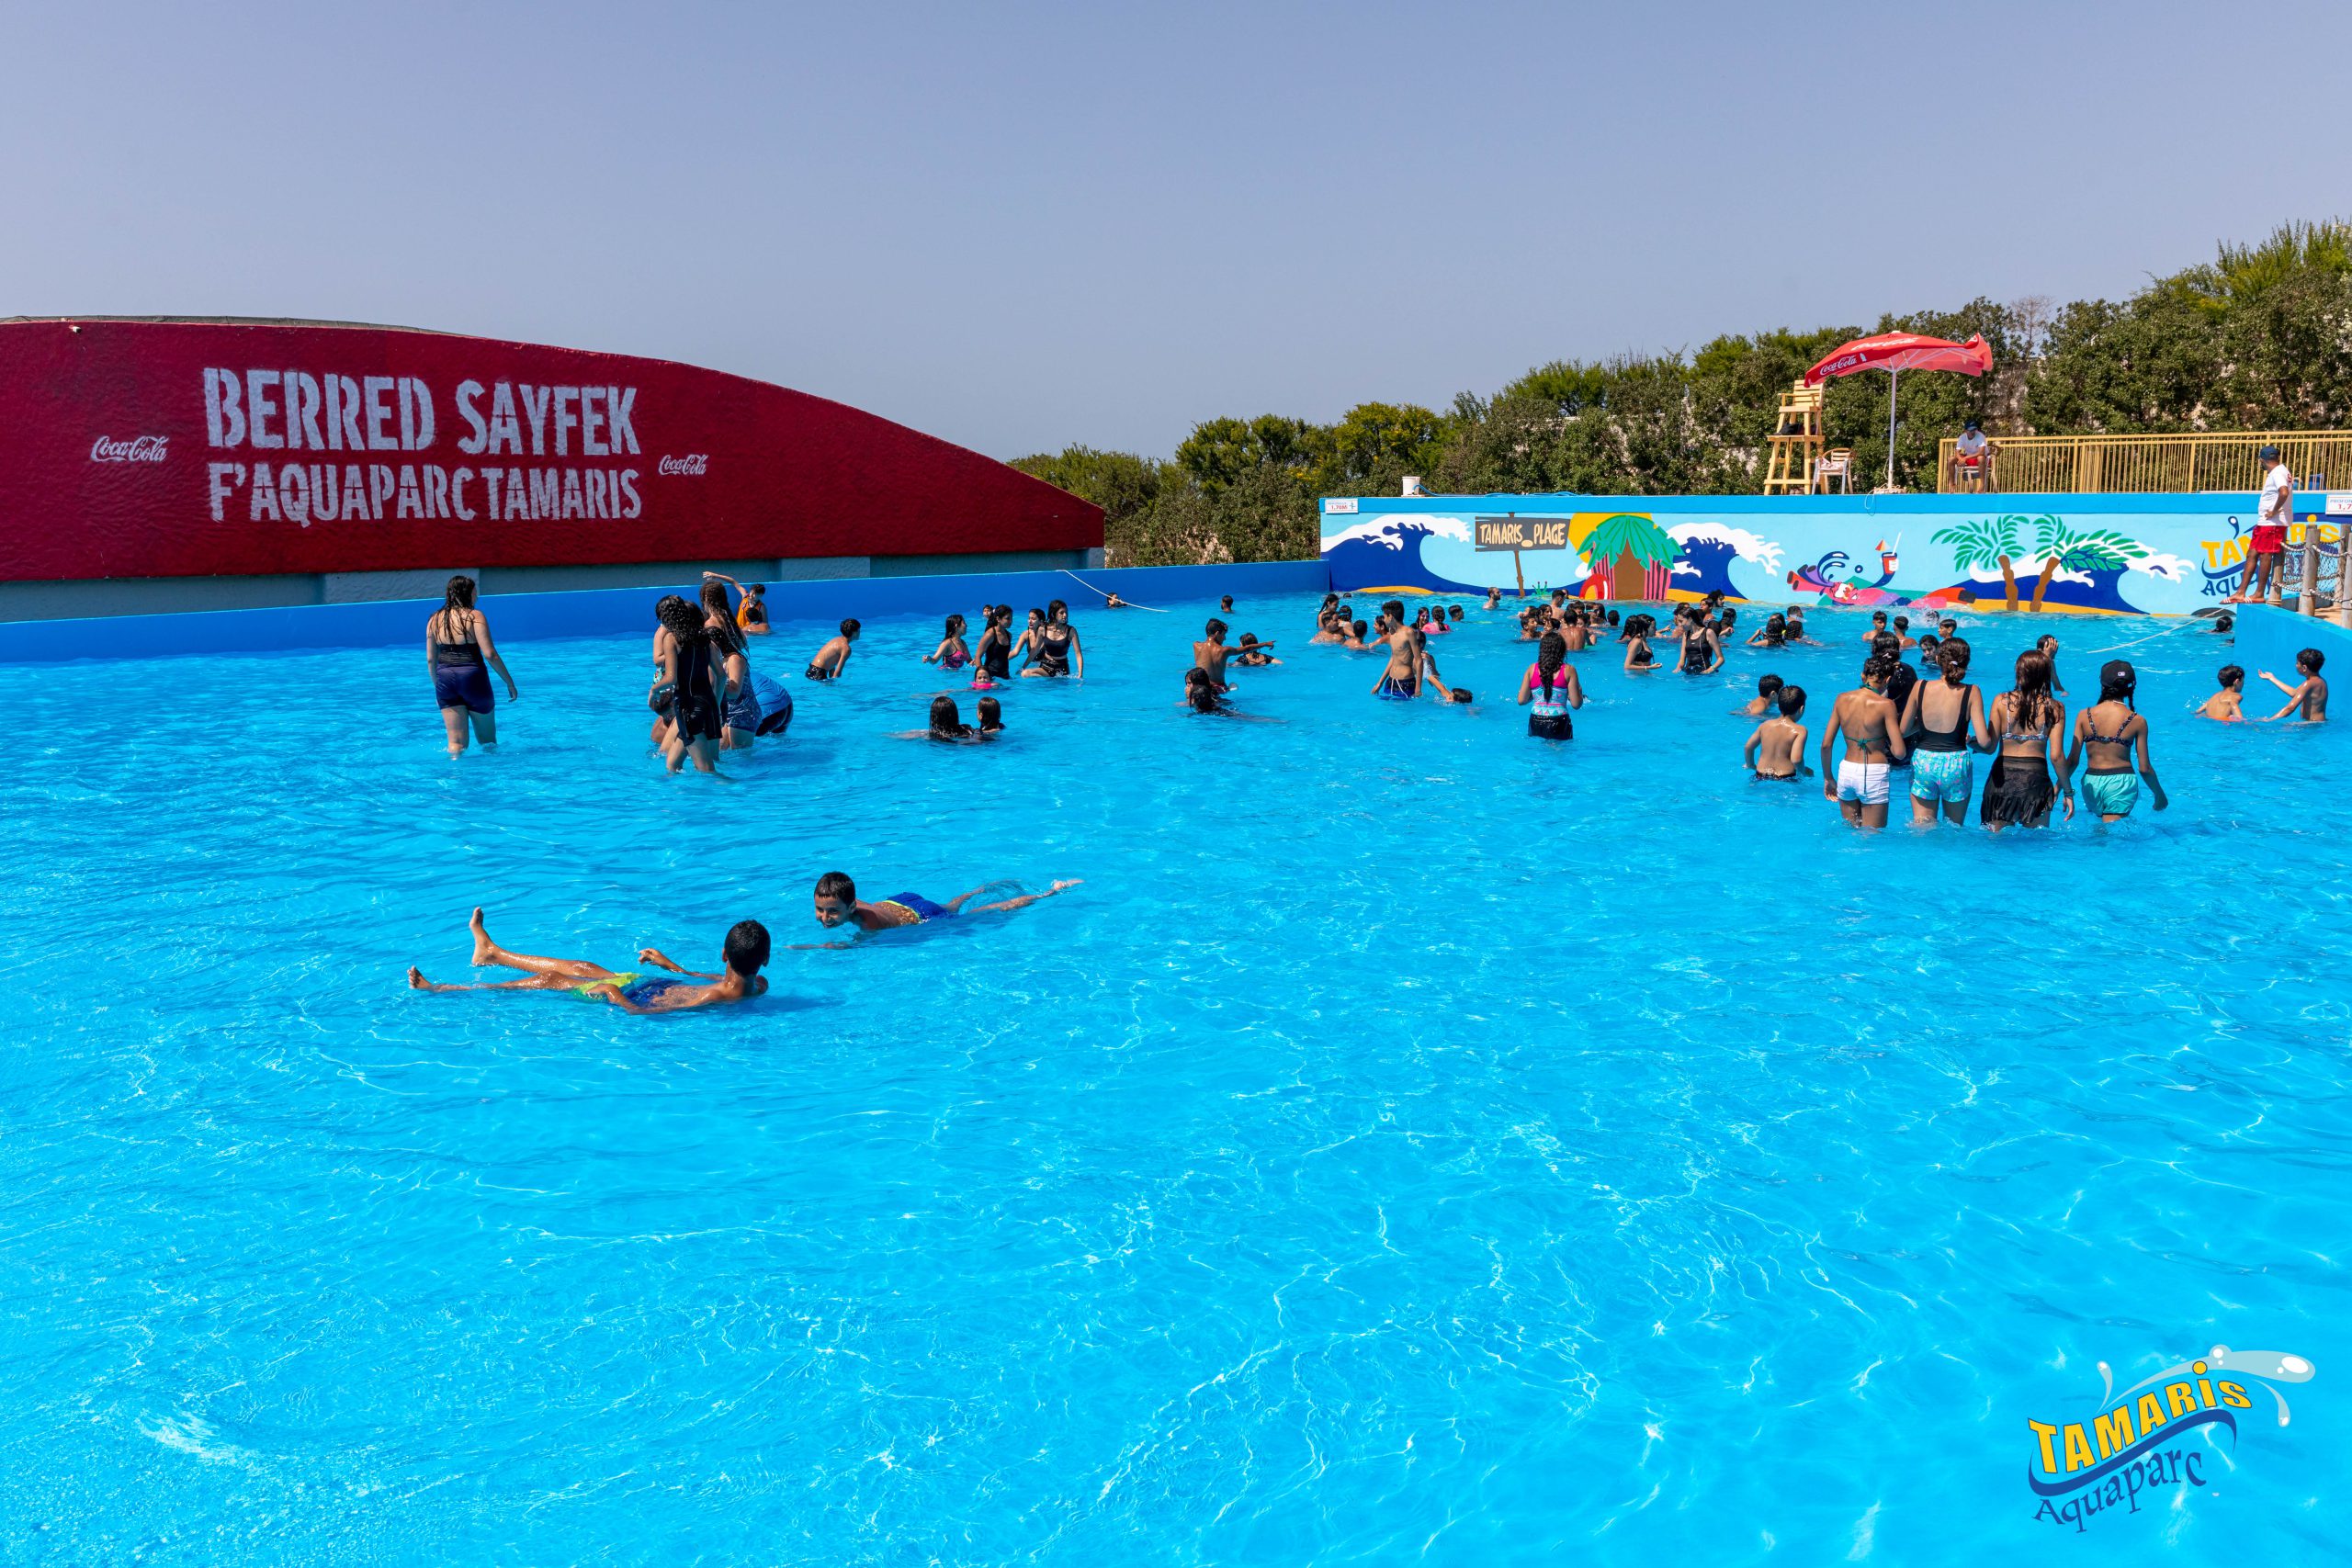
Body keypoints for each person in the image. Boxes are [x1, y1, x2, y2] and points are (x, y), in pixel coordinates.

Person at [407, 907, 769, 1013]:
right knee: (583, 967)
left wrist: (614, 994)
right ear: (765, 959)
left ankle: (442, 989)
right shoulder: (760, 984)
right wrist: (672, 966)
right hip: (650, 983)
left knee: (551, 981)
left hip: (633, 995)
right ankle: (492, 952)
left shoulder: (714, 998)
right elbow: (705, 977)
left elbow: (642, 1014)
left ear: (724, 954)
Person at [803, 870, 1081, 939]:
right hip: (903, 901)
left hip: (922, 916)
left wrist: (814, 947)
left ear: (851, 908)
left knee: (980, 914)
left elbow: (850, 948)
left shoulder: (869, 923)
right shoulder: (849, 899)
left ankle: (1049, 893)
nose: (824, 917)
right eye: (820, 910)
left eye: (832, 911)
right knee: (953, 904)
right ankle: (980, 889)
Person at [424, 574, 518, 757]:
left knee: (456, 745)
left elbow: (430, 659)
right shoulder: (475, 616)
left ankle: (454, 772)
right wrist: (509, 682)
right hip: (473, 679)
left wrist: (438, 687)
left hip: (445, 680)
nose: (477, 596)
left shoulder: (434, 619)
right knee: (488, 743)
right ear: (466, 593)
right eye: (475, 592)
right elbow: (490, 654)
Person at [1901, 637, 1991, 827]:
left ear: (1937, 659)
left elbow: (1903, 730)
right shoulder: (1972, 691)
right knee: (1954, 829)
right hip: (1956, 763)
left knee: (1922, 828)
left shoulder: (1921, 686)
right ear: (1966, 662)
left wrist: (1924, 722)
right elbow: (1984, 742)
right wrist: (1971, 741)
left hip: (1924, 761)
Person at [2068, 660, 2169, 822]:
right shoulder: (2137, 720)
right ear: (2131, 687)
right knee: (2112, 833)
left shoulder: (2083, 715)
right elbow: (2145, 769)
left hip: (2091, 783)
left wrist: (2058, 788)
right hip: (2120, 782)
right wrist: (2159, 795)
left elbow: (2073, 761)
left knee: (2099, 830)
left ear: (2103, 684)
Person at [1982, 649, 2072, 829]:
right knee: (2036, 843)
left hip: (2001, 779)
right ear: (2045, 675)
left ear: (2019, 672)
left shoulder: (2001, 701)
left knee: (1995, 840)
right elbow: (2056, 756)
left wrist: (1972, 743)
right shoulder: (2056, 707)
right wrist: (2068, 792)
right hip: (2036, 780)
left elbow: (1989, 746)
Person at [1819, 654, 1909, 828]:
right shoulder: (1886, 705)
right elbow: (1899, 753)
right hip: (1874, 773)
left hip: (1846, 771)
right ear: (1887, 680)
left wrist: (1828, 778)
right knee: (1872, 837)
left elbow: (1826, 745)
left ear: (1863, 676)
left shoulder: (1841, 699)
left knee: (1850, 831)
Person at [655, 595, 732, 773]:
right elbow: (721, 676)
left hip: (688, 708)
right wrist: (715, 704)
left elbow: (671, 678)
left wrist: (653, 691)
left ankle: (736, 788)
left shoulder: (672, 639)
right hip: (709, 705)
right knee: (672, 765)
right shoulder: (705, 640)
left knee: (706, 769)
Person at [2234, 445, 2294, 605]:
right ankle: (2241, 592)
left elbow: (2283, 492)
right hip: (2265, 522)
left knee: (2265, 555)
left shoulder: (2278, 473)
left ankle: (2259, 594)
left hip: (2273, 523)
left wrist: (2274, 511)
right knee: (2252, 553)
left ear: (2263, 460)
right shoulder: (2279, 471)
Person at [1517, 631, 1584, 739]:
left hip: (1535, 720)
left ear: (1542, 650)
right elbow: (1576, 705)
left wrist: (1538, 695)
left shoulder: (1531, 669)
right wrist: (1579, 692)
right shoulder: (1569, 670)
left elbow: (1521, 701)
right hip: (1559, 721)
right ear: (1562, 650)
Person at [1744, 684, 1810, 780]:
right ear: (1802, 709)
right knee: (1810, 772)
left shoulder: (1765, 725)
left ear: (1779, 706)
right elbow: (1796, 760)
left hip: (1760, 775)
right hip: (1786, 777)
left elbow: (1748, 747)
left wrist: (1750, 765)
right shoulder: (1800, 730)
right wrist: (1803, 774)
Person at [2258, 648, 2328, 721]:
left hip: (2312, 724)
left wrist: (2270, 720)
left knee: (2282, 727)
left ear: (2304, 668)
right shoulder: (2319, 681)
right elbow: (2294, 693)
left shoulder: (2308, 684)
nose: (2296, 665)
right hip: (2318, 722)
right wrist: (2272, 678)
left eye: (2297, 663)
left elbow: (2290, 708)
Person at [1025, 599, 1084, 678]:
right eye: (1061, 613)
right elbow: (1035, 650)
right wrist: (1023, 667)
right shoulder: (1043, 629)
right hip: (1045, 666)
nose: (1065, 615)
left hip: (1061, 669)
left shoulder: (1071, 631)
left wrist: (1080, 674)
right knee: (1025, 673)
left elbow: (1078, 654)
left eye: (1066, 612)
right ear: (1053, 614)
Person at [897, 694, 979, 741]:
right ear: (955, 713)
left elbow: (905, 736)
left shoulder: (933, 736)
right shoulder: (968, 729)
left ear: (934, 717)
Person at [1950, 419, 1996, 492]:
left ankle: (1982, 485)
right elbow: (1957, 452)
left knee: (1980, 458)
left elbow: (1981, 452)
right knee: (1951, 459)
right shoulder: (1962, 437)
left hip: (1982, 459)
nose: (1973, 432)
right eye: (1971, 430)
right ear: (1965, 431)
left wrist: (1965, 458)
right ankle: (1952, 484)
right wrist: (1960, 459)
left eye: (1974, 429)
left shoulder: (1980, 436)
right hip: (1969, 458)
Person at [806, 618, 860, 682]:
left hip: (810, 670)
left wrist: (831, 679)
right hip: (818, 674)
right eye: (859, 630)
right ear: (854, 632)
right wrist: (835, 685)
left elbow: (831, 664)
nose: (860, 632)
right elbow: (838, 672)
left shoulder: (836, 640)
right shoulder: (846, 649)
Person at [973, 606, 1013, 685]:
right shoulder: (990, 634)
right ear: (998, 619)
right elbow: (978, 656)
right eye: (1007, 618)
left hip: (1005, 676)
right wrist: (981, 677)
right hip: (991, 676)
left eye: (1011, 618)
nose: (1011, 621)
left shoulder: (1009, 635)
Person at [2035, 633, 2067, 697]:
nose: (2054, 657)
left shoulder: (2051, 662)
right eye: (2052, 653)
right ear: (2040, 651)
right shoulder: (2031, 662)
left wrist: (2062, 691)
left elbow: (2056, 684)